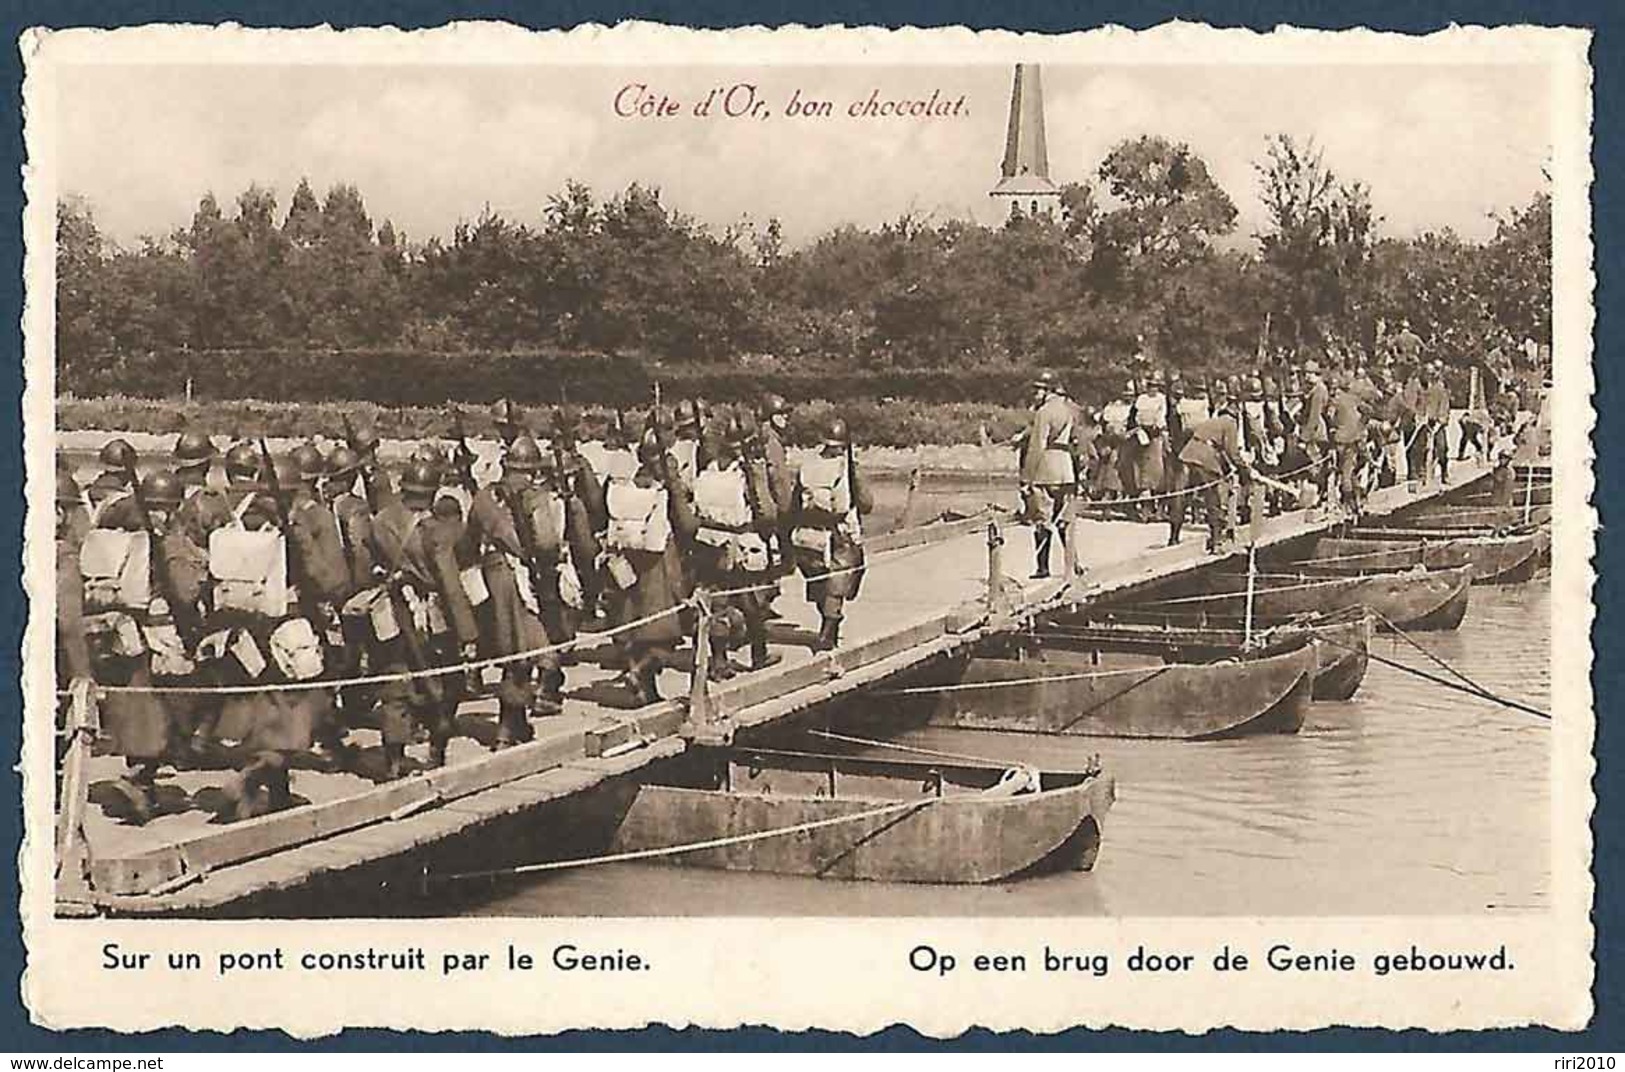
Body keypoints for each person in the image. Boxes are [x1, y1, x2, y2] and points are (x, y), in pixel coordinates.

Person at [82, 469, 208, 823]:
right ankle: (139, 779)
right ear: (168, 507)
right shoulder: (165, 541)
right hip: (161, 634)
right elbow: (185, 592)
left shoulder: (118, 532)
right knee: (177, 706)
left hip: (122, 632)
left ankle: (144, 788)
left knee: (139, 705)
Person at [367, 459, 480, 776]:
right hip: (428, 614)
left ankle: (393, 759)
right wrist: (469, 634)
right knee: (442, 683)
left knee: (394, 682)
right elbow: (450, 584)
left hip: (390, 608)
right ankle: (436, 751)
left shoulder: (380, 520)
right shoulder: (435, 532)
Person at [464, 435, 569, 748]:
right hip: (518, 580)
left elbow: (468, 541)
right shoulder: (534, 497)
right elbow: (548, 542)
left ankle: (517, 722)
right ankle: (507, 731)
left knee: (513, 651)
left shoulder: (484, 497)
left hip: (489, 576)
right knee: (529, 652)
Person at [600, 431, 700, 705]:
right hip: (660, 562)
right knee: (665, 628)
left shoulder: (629, 484)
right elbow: (688, 525)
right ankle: (639, 671)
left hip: (631, 561)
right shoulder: (664, 488)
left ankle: (647, 687)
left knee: (637, 623)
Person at [689, 416, 780, 676]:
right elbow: (768, 512)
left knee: (717, 603)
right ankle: (758, 656)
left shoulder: (706, 473)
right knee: (753, 602)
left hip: (709, 543)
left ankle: (719, 660)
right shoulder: (746, 474)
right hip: (741, 544)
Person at [790, 418, 874, 652]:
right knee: (838, 584)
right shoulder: (846, 468)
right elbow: (866, 504)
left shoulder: (807, 465)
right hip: (841, 532)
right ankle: (828, 635)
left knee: (817, 580)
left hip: (809, 533)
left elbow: (794, 502)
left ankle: (827, 628)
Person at [1017, 371, 1082, 579]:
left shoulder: (1044, 412)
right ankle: (1074, 565)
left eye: (1037, 390)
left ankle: (1042, 568)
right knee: (1064, 519)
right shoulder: (1069, 411)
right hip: (1066, 469)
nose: (1034, 394)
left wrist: (1027, 479)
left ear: (1047, 391)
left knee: (1041, 519)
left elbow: (1037, 446)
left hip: (1047, 469)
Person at [1174, 383, 1246, 554]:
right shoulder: (1230, 424)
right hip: (1205, 458)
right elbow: (1232, 452)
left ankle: (1173, 537)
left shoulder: (1212, 421)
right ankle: (1215, 542)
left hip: (1188, 453)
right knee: (1213, 499)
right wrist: (1245, 470)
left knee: (1180, 497)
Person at [1329, 369, 1370, 516]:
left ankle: (1350, 505)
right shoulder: (1354, 398)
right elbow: (1368, 411)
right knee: (1349, 471)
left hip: (1341, 440)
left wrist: (1334, 428)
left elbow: (1330, 418)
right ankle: (1358, 501)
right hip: (1354, 439)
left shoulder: (1335, 400)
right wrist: (1360, 425)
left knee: (1345, 473)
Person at [1420, 361, 1453, 483]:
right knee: (1423, 448)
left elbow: (1444, 406)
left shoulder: (1440, 389)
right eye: (1427, 374)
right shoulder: (1421, 388)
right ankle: (1424, 475)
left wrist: (1441, 420)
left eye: (1432, 374)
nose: (1430, 376)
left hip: (1437, 424)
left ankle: (1444, 472)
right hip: (1424, 423)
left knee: (1442, 448)